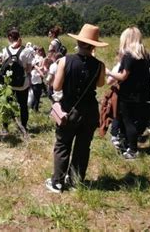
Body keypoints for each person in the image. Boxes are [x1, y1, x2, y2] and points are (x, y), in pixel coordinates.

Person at [45, 24, 107, 193]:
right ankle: (75, 181)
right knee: (82, 146)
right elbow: (100, 84)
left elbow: (56, 87)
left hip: (69, 110)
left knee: (63, 145)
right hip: (90, 111)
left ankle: (57, 182)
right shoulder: (99, 65)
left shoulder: (66, 60)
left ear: (78, 41)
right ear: (94, 45)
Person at [106, 27, 150, 160]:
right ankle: (129, 144)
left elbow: (123, 76)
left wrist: (109, 72)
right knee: (136, 120)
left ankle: (133, 150)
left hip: (128, 94)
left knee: (128, 121)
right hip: (143, 93)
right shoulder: (145, 55)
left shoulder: (128, 55)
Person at [0, 28, 35, 135]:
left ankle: (5, 127)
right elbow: (29, 69)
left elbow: (2, 66)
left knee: (6, 105)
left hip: (9, 85)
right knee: (23, 106)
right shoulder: (26, 51)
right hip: (22, 84)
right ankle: (24, 126)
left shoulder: (5, 50)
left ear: (10, 38)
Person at [30, 47, 46, 112]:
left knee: (36, 94)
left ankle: (33, 106)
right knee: (37, 95)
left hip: (36, 80)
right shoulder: (39, 59)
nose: (40, 52)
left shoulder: (36, 59)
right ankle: (35, 108)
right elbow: (41, 70)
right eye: (39, 51)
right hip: (37, 80)